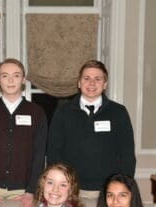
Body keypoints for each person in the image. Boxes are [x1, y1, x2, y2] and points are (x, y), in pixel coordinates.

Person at [47, 60, 136, 197]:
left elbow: (127, 154)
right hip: (71, 189)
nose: (92, 83)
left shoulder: (119, 112)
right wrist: (60, 184)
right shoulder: (63, 112)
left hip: (109, 191)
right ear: (79, 83)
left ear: (105, 84)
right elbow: (53, 152)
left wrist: (123, 186)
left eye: (97, 79)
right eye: (86, 78)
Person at [0, 58, 47, 207]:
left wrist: (31, 191)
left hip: (24, 191)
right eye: (5, 76)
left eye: (16, 75)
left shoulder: (37, 112)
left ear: (23, 80)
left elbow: (39, 155)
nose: (11, 80)